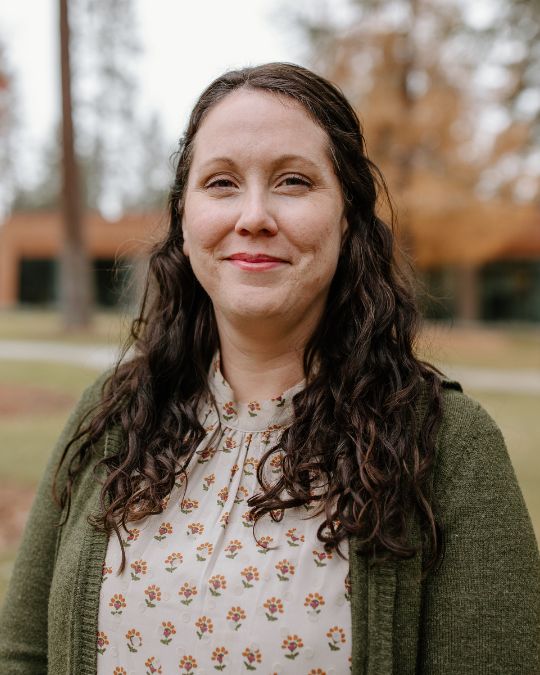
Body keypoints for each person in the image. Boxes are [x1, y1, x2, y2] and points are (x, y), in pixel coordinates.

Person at [1, 62, 539, 675]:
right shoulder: (112, 415)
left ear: (347, 217)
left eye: (292, 181)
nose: (253, 215)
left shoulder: (449, 447)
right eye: (222, 183)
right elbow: (25, 655)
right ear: (184, 220)